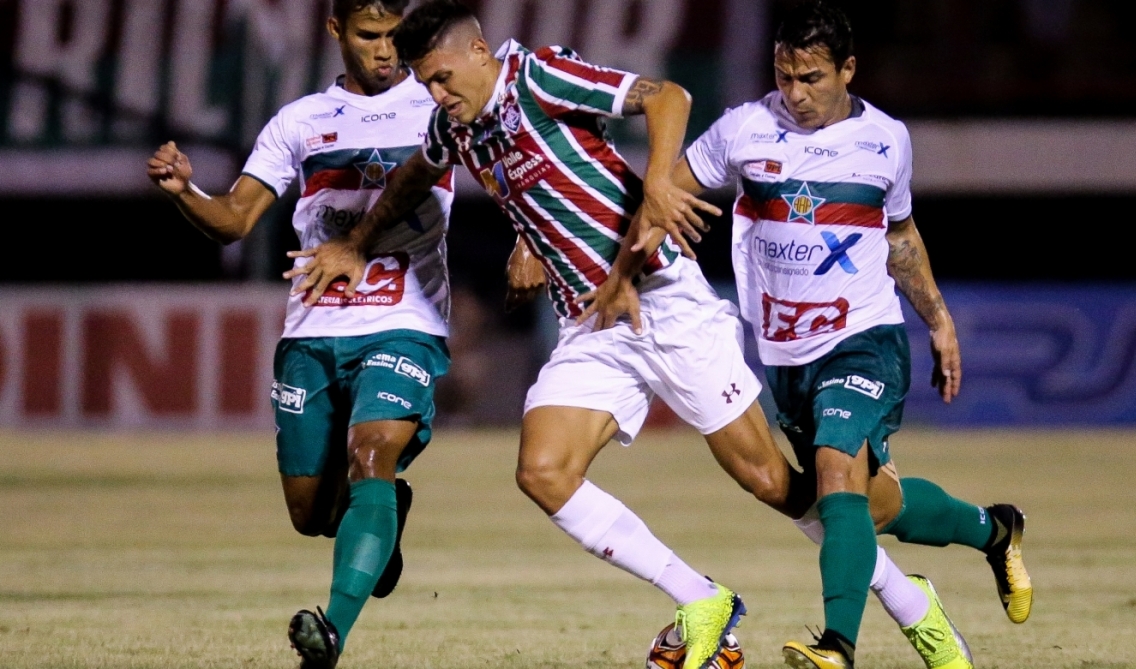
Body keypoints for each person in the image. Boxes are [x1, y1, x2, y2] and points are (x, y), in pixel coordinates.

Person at [293, 2, 982, 668]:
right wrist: (359, 239)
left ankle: (907, 599)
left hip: (663, 298)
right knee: (542, 470)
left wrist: (657, 185)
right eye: (425, 83)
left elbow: (667, 96)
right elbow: (420, 170)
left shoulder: (537, 75)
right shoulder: (460, 126)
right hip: (593, 317)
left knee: (772, 481)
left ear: (479, 52)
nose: (436, 93)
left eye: (442, 76)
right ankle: (703, 598)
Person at [624, 2, 1033, 668]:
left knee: (836, 466)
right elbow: (665, 193)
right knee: (870, 506)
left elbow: (899, 238)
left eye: (811, 78)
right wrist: (628, 242)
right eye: (785, 77)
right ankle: (995, 530)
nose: (796, 94)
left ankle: (838, 645)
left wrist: (938, 318)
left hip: (864, 337)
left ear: (848, 69)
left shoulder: (886, 140)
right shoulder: (744, 130)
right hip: (785, 356)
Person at [146, 2, 453, 667]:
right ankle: (384, 512)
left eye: (395, 39)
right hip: (314, 329)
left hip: (405, 321)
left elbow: (513, 170)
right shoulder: (301, 121)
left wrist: (531, 243)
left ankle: (331, 631)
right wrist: (183, 189)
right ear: (335, 30)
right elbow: (234, 217)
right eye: (369, 37)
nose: (385, 52)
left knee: (372, 450)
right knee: (311, 512)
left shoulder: (440, 106)